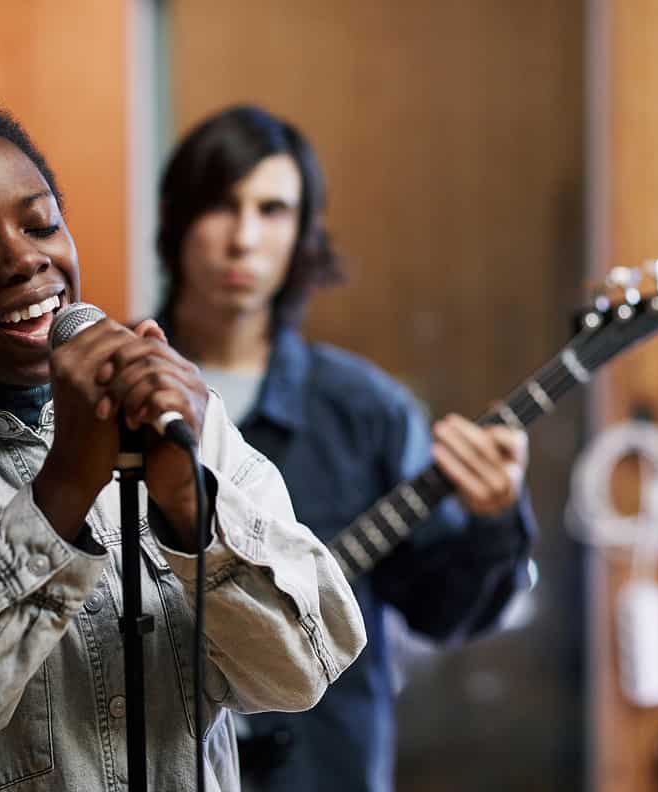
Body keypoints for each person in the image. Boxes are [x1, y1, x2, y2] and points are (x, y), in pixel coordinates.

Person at [0, 94, 366, 792]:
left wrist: (187, 507)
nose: (25, 260)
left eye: (42, 224)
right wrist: (63, 490)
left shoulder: (183, 416)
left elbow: (300, 674)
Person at [155, 105, 536, 792]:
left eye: (272, 210)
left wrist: (495, 518)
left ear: (303, 233)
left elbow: (443, 611)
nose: (244, 238)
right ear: (177, 218)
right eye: (221, 206)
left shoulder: (367, 411)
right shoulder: (103, 392)